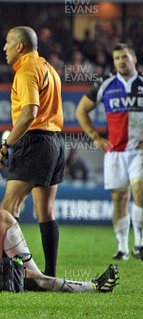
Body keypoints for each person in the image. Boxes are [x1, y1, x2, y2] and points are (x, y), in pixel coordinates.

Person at [0, 26, 64, 277]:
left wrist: (5, 146)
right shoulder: (49, 69)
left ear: (20, 47)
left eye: (8, 42)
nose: (4, 48)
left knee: (8, 208)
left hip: (34, 142)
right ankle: (50, 273)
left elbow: (29, 113)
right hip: (55, 142)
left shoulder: (25, 71)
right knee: (45, 211)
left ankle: (8, 270)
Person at [75, 43, 143, 261]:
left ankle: (139, 243)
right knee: (120, 199)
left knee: (140, 192)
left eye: (124, 56)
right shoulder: (105, 84)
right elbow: (81, 110)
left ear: (133, 59)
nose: (121, 61)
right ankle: (123, 248)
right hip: (115, 152)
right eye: (116, 58)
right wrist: (95, 137)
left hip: (139, 150)